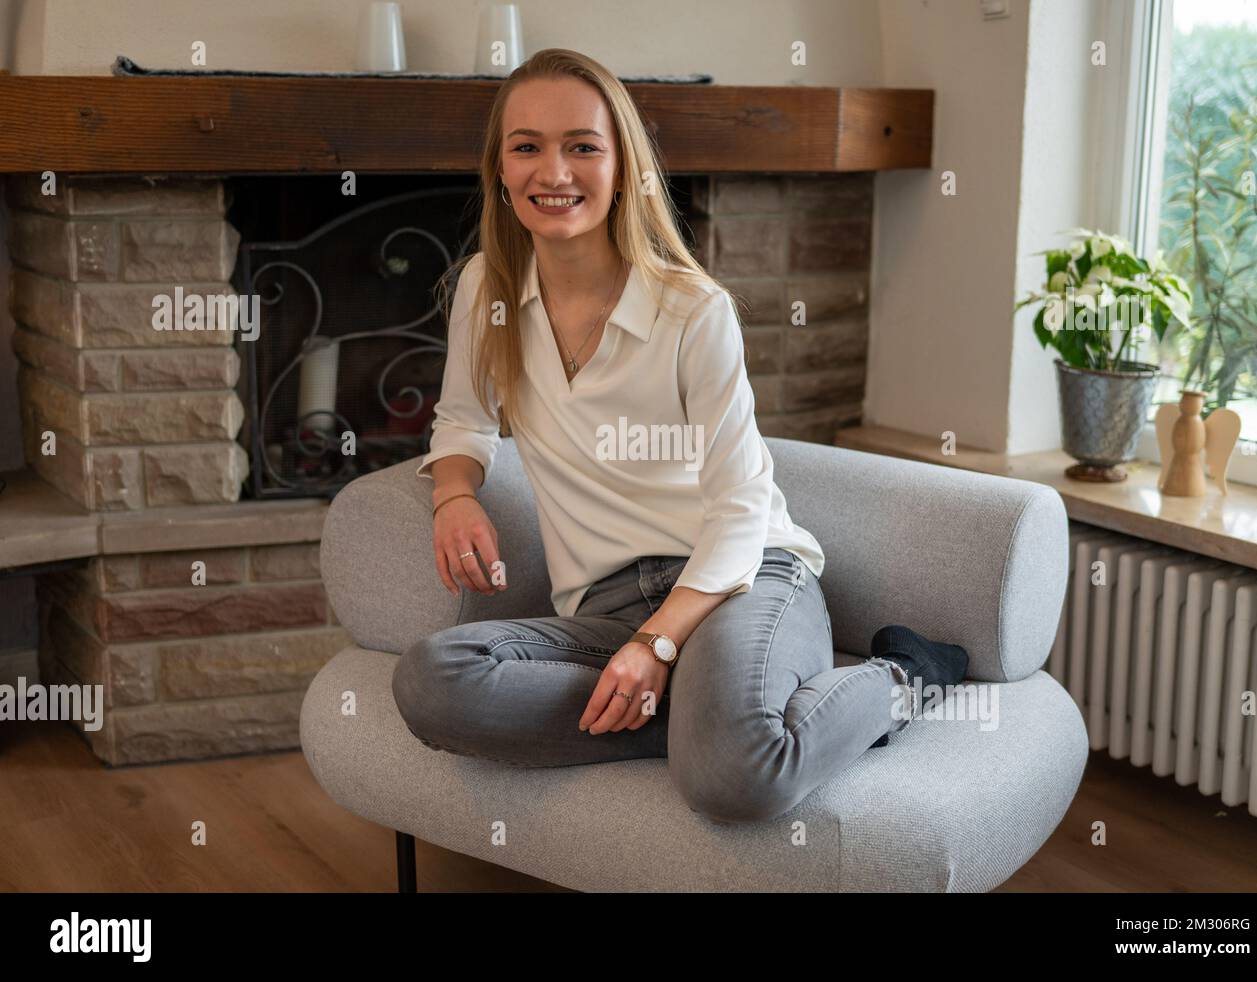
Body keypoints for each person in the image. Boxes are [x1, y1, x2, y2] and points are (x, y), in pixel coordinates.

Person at [391, 48, 968, 824]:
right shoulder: (483, 288)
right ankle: (707, 717)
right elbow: (462, 418)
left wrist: (657, 646)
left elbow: (738, 512)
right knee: (433, 678)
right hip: (605, 602)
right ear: (499, 167)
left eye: (582, 147)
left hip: (741, 579)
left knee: (736, 781)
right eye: (527, 146)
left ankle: (904, 675)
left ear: (624, 166)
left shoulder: (694, 312)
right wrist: (454, 495)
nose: (552, 171)